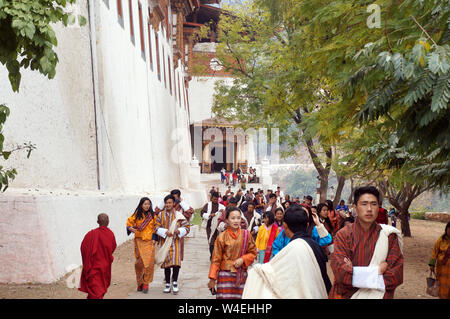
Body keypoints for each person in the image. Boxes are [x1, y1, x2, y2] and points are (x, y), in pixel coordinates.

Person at [329, 186, 403, 299]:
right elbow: (341, 273)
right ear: (355, 207)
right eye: (364, 204)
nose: (369, 209)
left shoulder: (389, 236)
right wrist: (378, 271)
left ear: (379, 207)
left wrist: (354, 272)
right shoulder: (343, 235)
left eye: (374, 204)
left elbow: (395, 276)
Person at [242, 205, 332, 299]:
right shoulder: (314, 245)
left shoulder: (295, 247)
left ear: (285, 226)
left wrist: (255, 271)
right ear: (307, 225)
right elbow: (276, 246)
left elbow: (272, 273)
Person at [208, 206, 257, 299]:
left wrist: (243, 259)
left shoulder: (247, 235)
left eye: (238, 218)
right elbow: (215, 259)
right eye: (233, 218)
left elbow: (253, 253)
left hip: (241, 275)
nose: (236, 221)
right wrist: (212, 278)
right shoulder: (221, 237)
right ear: (227, 220)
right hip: (225, 276)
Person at [154, 195, 190, 294]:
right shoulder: (160, 215)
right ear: (164, 204)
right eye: (166, 203)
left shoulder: (179, 215)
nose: (168, 204)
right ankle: (167, 284)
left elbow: (187, 227)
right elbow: (156, 227)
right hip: (165, 242)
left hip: (176, 242)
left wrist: (178, 231)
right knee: (166, 263)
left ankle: (174, 282)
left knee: (176, 263)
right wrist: (165, 232)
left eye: (170, 202)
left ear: (174, 203)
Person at [79, 213, 117, 299]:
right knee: (99, 289)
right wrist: (106, 255)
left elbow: (83, 248)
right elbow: (113, 246)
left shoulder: (91, 234)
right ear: (108, 222)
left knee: (95, 289)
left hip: (93, 267)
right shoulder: (110, 234)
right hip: (104, 266)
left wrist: (87, 260)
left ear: (97, 222)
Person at [126, 197, 157, 293]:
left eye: (148, 204)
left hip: (149, 242)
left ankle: (146, 283)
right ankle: (140, 283)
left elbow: (156, 227)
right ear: (141, 205)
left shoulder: (153, 215)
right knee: (139, 263)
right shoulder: (136, 214)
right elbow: (129, 223)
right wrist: (131, 229)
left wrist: (154, 239)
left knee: (148, 263)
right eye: (145, 204)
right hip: (139, 241)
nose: (147, 206)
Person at [201, 192, 226, 259]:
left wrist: (221, 212)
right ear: (211, 198)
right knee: (211, 240)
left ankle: (217, 255)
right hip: (209, 226)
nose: (215, 201)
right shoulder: (207, 205)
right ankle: (212, 255)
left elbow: (224, 214)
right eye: (214, 199)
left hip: (218, 227)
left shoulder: (221, 206)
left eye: (216, 199)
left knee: (218, 241)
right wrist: (209, 215)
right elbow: (202, 213)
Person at [428, 222, 450, 299]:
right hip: (442, 269)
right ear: (446, 229)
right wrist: (432, 265)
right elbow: (435, 252)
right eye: (449, 229)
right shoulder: (440, 240)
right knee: (442, 286)